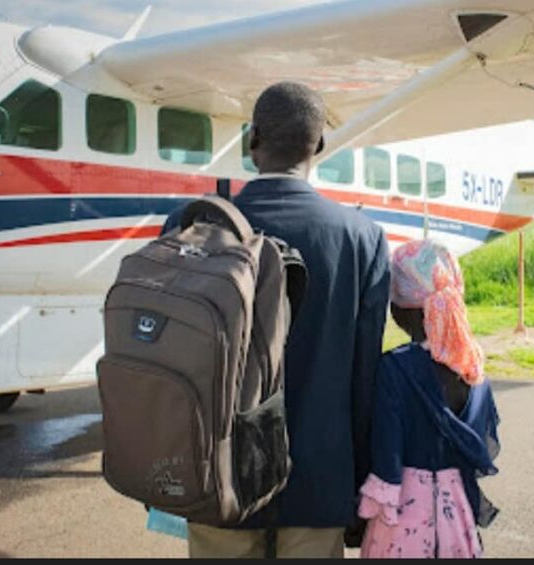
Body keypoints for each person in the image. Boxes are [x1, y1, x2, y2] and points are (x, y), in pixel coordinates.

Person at [163, 82, 390, 558]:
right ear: (319, 145)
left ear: (253, 139)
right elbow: (364, 378)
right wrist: (359, 484)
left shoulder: (191, 225)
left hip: (216, 482)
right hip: (318, 484)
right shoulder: (362, 238)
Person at [357, 239, 500, 559]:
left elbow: (387, 453)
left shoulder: (394, 367)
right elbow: (482, 442)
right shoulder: (472, 367)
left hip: (402, 518)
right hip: (458, 517)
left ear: (398, 310)